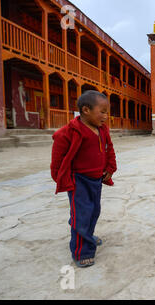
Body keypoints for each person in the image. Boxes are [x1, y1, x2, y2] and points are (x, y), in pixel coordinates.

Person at [51, 90, 117, 268]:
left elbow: (109, 149)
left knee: (94, 211)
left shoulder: (102, 130)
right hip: (78, 180)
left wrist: (110, 168)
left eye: (107, 112)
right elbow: (57, 158)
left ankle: (87, 235)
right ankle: (82, 251)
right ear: (86, 110)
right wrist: (60, 177)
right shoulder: (69, 132)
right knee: (82, 215)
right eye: (102, 111)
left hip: (96, 179)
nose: (105, 116)